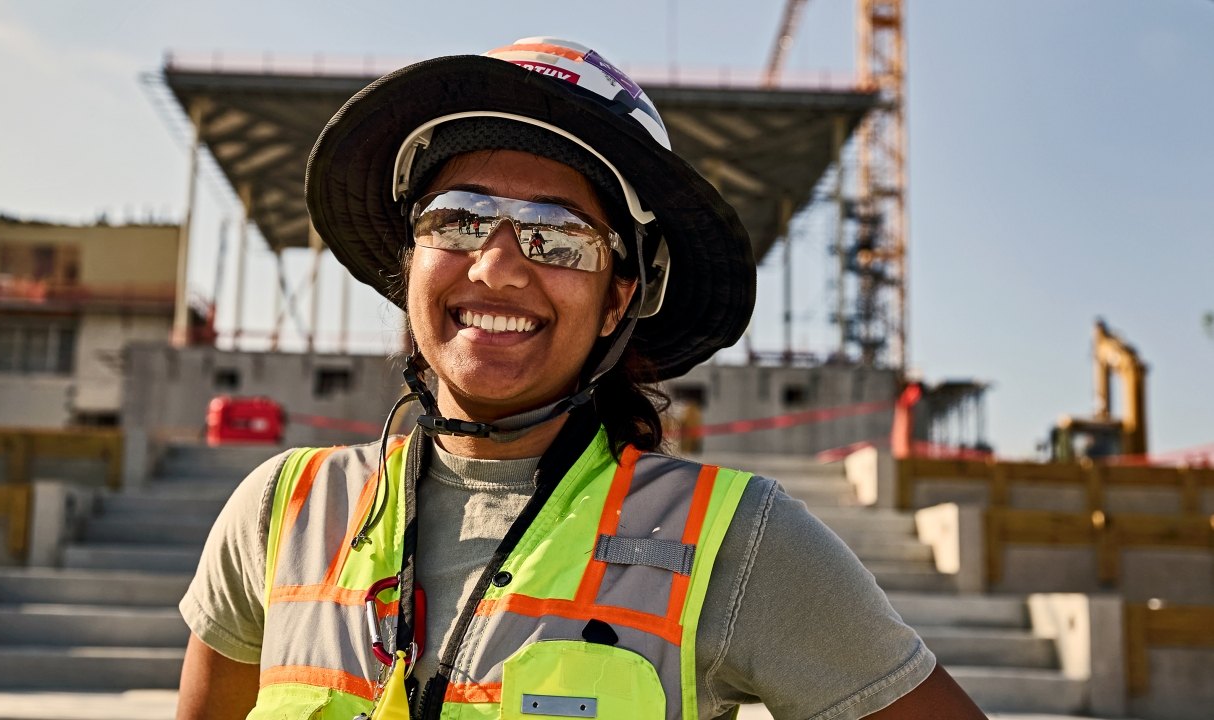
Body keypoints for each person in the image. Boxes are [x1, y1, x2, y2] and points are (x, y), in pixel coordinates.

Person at [176, 37, 987, 720]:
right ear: (410, 260)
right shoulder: (280, 514)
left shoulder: (738, 543)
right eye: (456, 218)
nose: (495, 267)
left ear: (618, 299)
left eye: (557, 237)